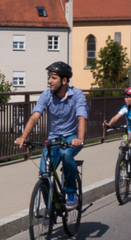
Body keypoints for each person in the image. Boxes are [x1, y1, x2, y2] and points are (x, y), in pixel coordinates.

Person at [15, 61, 88, 207]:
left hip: (71, 136)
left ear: (64, 80)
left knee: (66, 154)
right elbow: (35, 116)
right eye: (49, 77)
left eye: (53, 77)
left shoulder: (77, 95)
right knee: (44, 174)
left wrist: (79, 138)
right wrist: (24, 137)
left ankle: (71, 191)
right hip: (53, 138)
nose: (49, 81)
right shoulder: (46, 95)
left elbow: (81, 117)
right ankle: (50, 209)